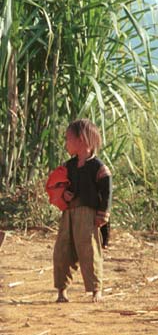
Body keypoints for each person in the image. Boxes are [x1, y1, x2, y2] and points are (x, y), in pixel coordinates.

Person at [52, 118, 112, 303]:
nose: (66, 143)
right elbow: (61, 186)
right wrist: (65, 195)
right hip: (69, 214)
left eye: (68, 139)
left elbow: (107, 191)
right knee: (62, 251)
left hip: (88, 216)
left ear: (82, 140)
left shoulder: (98, 167)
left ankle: (96, 290)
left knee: (90, 252)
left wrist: (103, 214)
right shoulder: (69, 166)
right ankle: (62, 290)